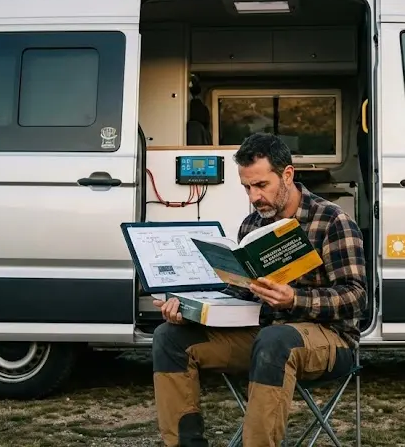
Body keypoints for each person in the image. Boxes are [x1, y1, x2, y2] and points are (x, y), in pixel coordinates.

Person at [151, 132, 368, 447]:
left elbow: (356, 296)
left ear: (287, 175)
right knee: (169, 338)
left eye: (261, 186)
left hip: (330, 339)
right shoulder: (252, 225)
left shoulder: (333, 221)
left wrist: (294, 298)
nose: (254, 197)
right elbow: (239, 294)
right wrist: (190, 310)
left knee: (275, 341)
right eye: (247, 187)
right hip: (264, 333)